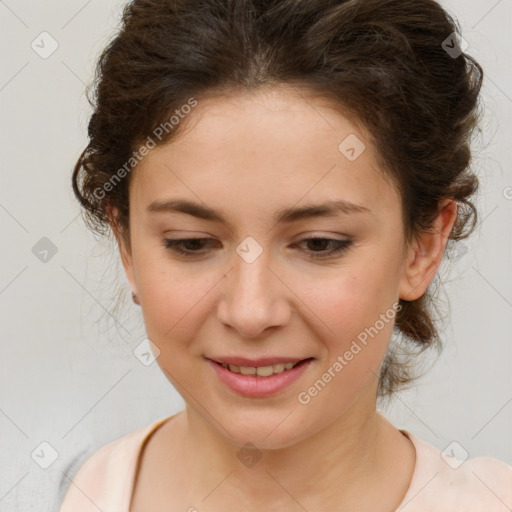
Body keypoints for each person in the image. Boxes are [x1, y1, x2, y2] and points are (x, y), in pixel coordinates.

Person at [60, 0, 512, 510]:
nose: (251, 313)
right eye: (191, 243)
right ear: (126, 246)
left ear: (423, 247)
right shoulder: (83, 491)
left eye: (320, 244)